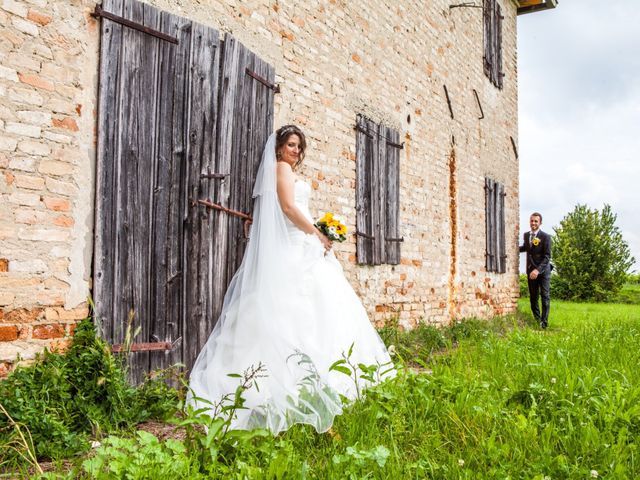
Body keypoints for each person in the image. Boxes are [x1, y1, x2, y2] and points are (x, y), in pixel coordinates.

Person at [187, 125, 393, 434]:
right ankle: (292, 381)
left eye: (299, 146)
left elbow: (296, 208)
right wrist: (317, 231)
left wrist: (319, 229)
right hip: (295, 245)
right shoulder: (280, 168)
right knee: (295, 308)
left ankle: (319, 375)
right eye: (291, 145)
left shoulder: (286, 169)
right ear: (280, 148)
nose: (295, 150)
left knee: (320, 307)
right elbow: (287, 207)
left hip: (303, 243)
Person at [519, 212, 552, 329]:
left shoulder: (545, 237)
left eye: (536, 221)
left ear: (540, 223)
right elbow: (526, 248)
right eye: (532, 221)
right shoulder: (526, 235)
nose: (533, 223)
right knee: (533, 298)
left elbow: (547, 256)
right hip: (530, 270)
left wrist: (537, 270)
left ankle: (544, 323)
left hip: (543, 271)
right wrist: (512, 248)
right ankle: (538, 321)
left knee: (545, 296)